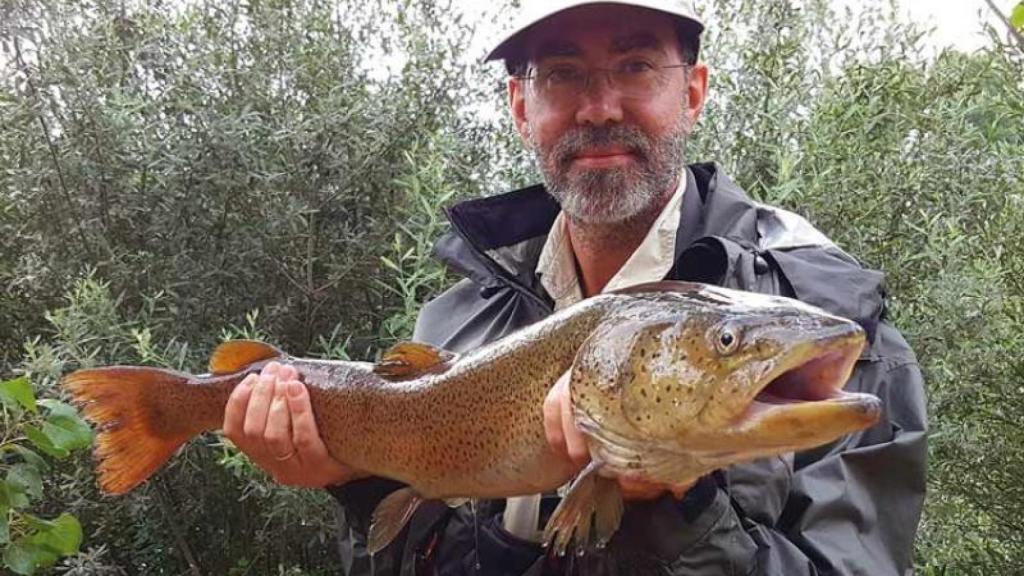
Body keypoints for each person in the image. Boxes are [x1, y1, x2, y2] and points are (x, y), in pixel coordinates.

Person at [221, 1, 928, 574]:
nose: (598, 107)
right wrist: (353, 481)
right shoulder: (455, 321)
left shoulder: (823, 312)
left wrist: (677, 503)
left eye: (635, 65)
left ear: (693, 91)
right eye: (562, 74)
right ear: (521, 106)